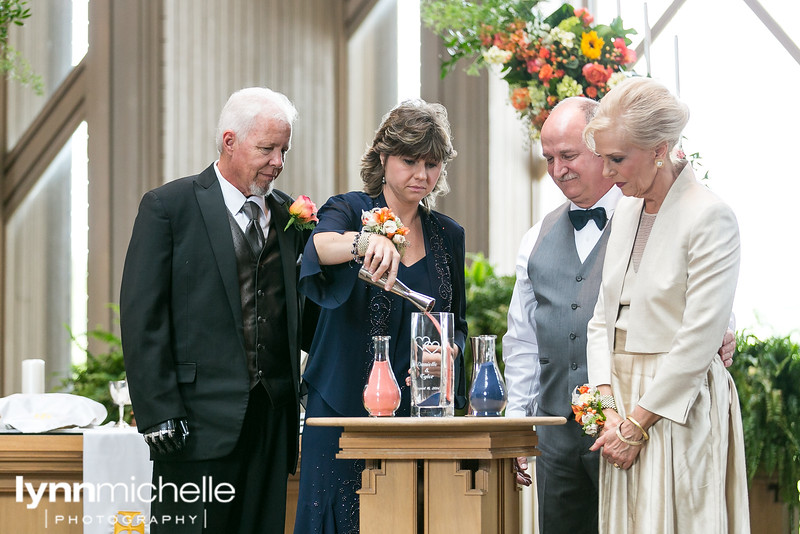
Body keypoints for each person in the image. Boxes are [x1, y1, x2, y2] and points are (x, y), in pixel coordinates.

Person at [502, 96, 736, 534]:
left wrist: (727, 325)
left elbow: (698, 304)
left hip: (643, 419)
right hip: (560, 433)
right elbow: (522, 342)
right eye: (549, 159)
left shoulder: (661, 210)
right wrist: (518, 424)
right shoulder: (537, 236)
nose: (557, 170)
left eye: (569, 156)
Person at [120, 87, 316, 534]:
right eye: (267, 149)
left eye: (284, 149)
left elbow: (303, 312)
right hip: (193, 423)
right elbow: (142, 317)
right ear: (229, 141)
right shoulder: (169, 207)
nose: (279, 162)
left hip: (271, 419)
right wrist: (157, 412)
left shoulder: (290, 216)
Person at [583, 77, 749, 532]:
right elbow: (601, 319)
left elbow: (701, 337)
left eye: (617, 159)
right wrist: (608, 410)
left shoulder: (709, 214)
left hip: (676, 404)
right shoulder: (626, 211)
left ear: (659, 149)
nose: (607, 172)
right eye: (602, 158)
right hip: (620, 400)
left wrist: (637, 424)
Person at [293, 99, 468, 533]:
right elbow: (318, 248)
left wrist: (451, 353)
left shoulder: (449, 234)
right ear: (384, 157)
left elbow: (456, 323)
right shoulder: (349, 208)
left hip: (418, 412)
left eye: (432, 163)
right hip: (340, 405)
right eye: (410, 160)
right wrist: (365, 242)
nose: (422, 175)